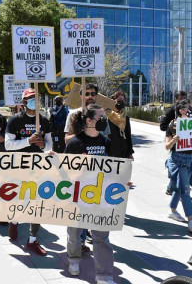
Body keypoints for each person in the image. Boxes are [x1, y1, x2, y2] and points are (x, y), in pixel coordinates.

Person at [64, 105, 117, 284]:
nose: (104, 120)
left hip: (100, 198)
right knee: (74, 234)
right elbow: (65, 172)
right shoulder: (74, 143)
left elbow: (115, 168)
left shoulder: (106, 143)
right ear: (89, 121)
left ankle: (104, 275)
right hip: (78, 197)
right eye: (101, 117)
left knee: (101, 238)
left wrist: (122, 180)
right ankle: (73, 260)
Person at [5, 87, 52, 256]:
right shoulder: (15, 120)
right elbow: (8, 146)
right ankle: (15, 220)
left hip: (39, 167)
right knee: (21, 199)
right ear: (24, 102)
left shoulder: (44, 121)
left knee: (37, 202)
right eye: (31, 98)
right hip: (19, 167)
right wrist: (28, 140)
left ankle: (33, 239)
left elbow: (50, 145)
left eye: (37, 98)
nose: (35, 101)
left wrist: (43, 146)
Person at [165, 99, 192, 233]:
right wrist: (174, 141)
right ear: (181, 111)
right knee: (185, 189)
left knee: (190, 180)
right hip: (179, 160)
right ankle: (191, 220)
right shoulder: (173, 125)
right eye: (188, 107)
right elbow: (166, 146)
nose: (191, 109)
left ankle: (172, 210)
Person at [160, 90, 187, 195]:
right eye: (180, 99)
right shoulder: (171, 111)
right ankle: (176, 190)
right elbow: (162, 126)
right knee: (176, 168)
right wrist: (173, 128)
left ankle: (174, 189)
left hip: (185, 144)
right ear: (176, 100)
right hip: (173, 142)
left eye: (184, 99)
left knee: (184, 170)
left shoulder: (188, 111)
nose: (182, 101)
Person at [107, 90, 134, 159]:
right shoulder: (107, 117)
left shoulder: (126, 118)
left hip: (123, 152)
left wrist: (130, 153)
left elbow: (128, 136)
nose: (120, 103)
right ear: (113, 101)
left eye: (122, 101)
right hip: (110, 152)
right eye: (119, 101)